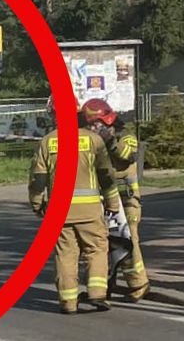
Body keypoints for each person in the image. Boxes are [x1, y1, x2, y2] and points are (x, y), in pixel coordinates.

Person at [30, 100, 123, 314]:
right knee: (97, 249)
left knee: (65, 254)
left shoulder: (47, 142)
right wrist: (113, 204)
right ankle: (98, 293)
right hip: (90, 211)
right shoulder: (94, 140)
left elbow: (38, 179)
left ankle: (68, 302)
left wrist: (37, 205)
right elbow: (106, 177)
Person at [91, 100, 149, 302]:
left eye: (95, 123)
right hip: (108, 202)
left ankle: (138, 284)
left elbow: (128, 155)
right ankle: (107, 284)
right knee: (109, 244)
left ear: (105, 120)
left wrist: (110, 141)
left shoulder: (126, 136)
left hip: (128, 202)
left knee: (129, 242)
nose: (93, 128)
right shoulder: (98, 139)